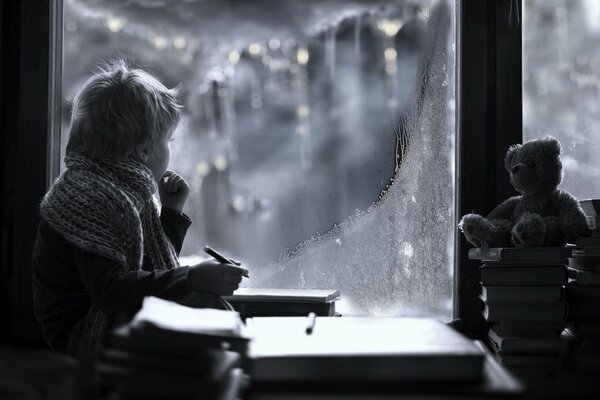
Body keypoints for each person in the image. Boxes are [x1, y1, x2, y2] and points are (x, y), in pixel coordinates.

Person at [31, 59, 248, 371]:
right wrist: (190, 277)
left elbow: (149, 265)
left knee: (205, 313)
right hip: (82, 332)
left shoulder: (117, 186)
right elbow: (110, 291)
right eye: (168, 140)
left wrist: (170, 214)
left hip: (103, 315)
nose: (170, 149)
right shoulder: (93, 198)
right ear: (145, 151)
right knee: (204, 310)